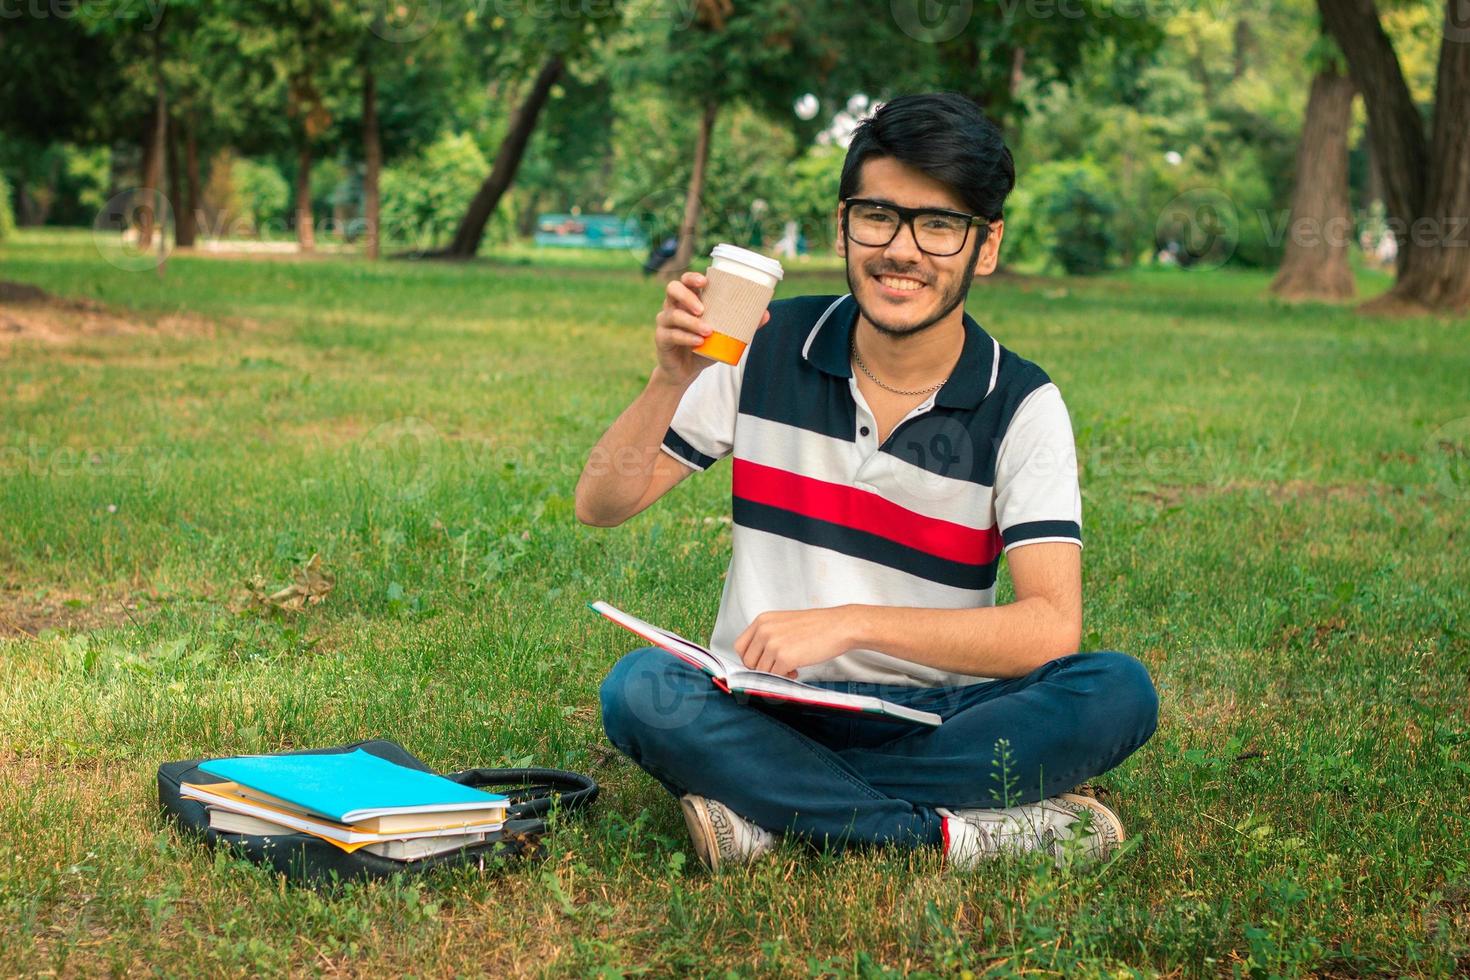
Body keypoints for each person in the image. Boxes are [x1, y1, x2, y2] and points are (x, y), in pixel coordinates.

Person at [575, 93, 1158, 872]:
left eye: (939, 225)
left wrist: (850, 622)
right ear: (843, 224)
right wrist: (664, 380)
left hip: (943, 715)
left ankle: (772, 812)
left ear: (985, 247)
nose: (903, 250)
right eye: (878, 216)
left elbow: (1050, 629)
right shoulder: (763, 348)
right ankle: (953, 835)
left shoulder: (1022, 403)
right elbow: (602, 503)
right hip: (768, 702)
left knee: (1116, 692)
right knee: (641, 691)